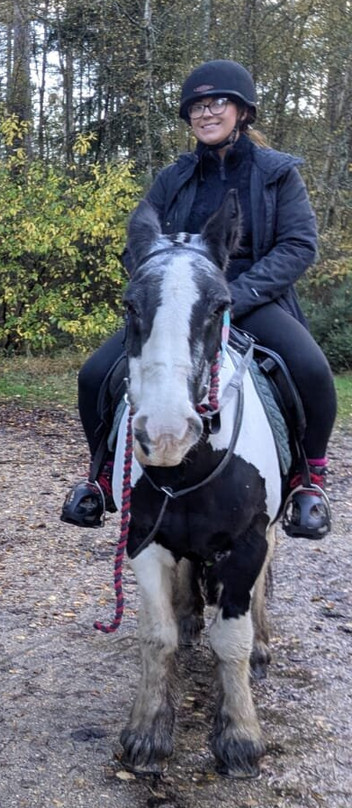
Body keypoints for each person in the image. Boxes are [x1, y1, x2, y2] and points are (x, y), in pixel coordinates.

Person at [60, 59, 335, 539]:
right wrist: (160, 289)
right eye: (197, 108)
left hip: (254, 295)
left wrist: (237, 295)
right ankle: (100, 478)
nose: (206, 114)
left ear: (242, 112)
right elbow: (138, 244)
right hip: (179, 302)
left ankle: (307, 481)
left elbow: (299, 245)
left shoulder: (278, 174)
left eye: (217, 103)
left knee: (311, 370)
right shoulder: (174, 177)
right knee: (95, 374)